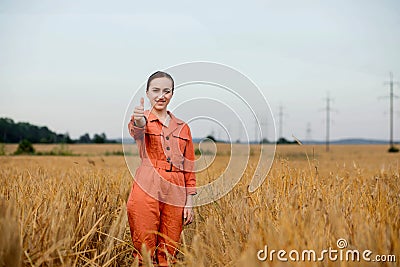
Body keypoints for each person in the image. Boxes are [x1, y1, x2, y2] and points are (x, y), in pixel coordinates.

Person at [127, 71, 196, 266]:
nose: (161, 95)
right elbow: (137, 129)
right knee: (144, 250)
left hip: (176, 188)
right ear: (148, 93)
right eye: (155, 90)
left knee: (169, 251)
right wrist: (139, 118)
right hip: (147, 183)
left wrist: (189, 202)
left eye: (166, 91)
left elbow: (189, 167)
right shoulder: (142, 119)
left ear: (172, 94)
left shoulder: (183, 127)